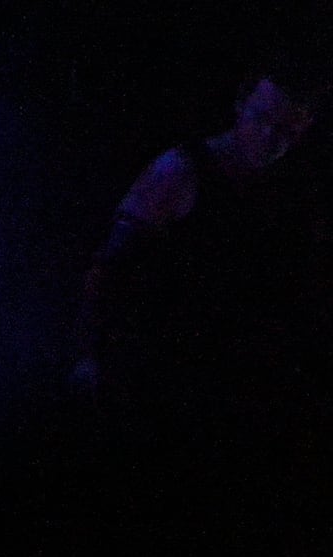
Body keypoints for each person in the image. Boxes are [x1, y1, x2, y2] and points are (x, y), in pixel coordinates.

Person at [77, 69, 326, 531]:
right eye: (264, 120)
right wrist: (91, 354)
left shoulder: (294, 197)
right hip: (160, 377)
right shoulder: (183, 169)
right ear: (242, 103)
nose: (271, 138)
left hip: (237, 391)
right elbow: (110, 266)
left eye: (287, 131)